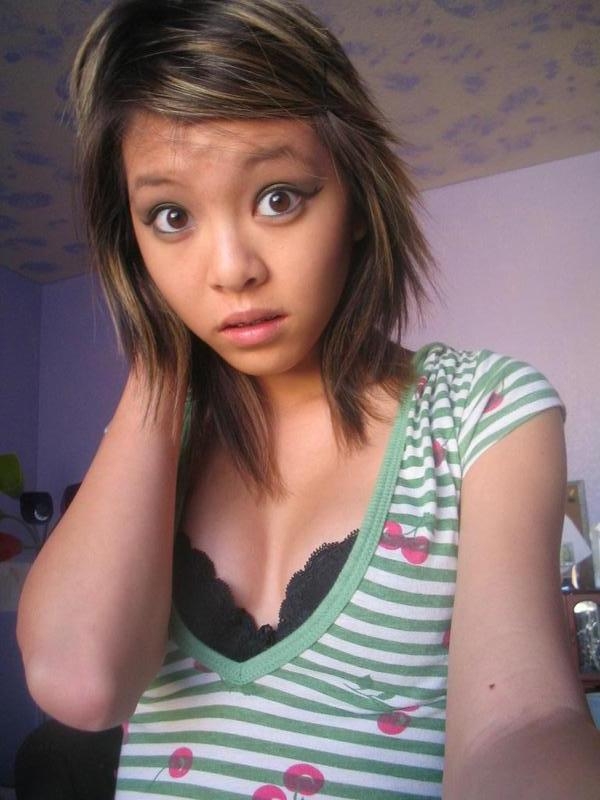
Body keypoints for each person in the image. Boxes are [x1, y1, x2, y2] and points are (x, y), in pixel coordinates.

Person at [16, 1, 600, 798]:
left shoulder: (484, 413)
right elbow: (82, 686)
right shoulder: (157, 444)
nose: (231, 270)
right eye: (171, 217)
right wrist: (159, 357)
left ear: (357, 200)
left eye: (278, 197)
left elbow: (522, 721)